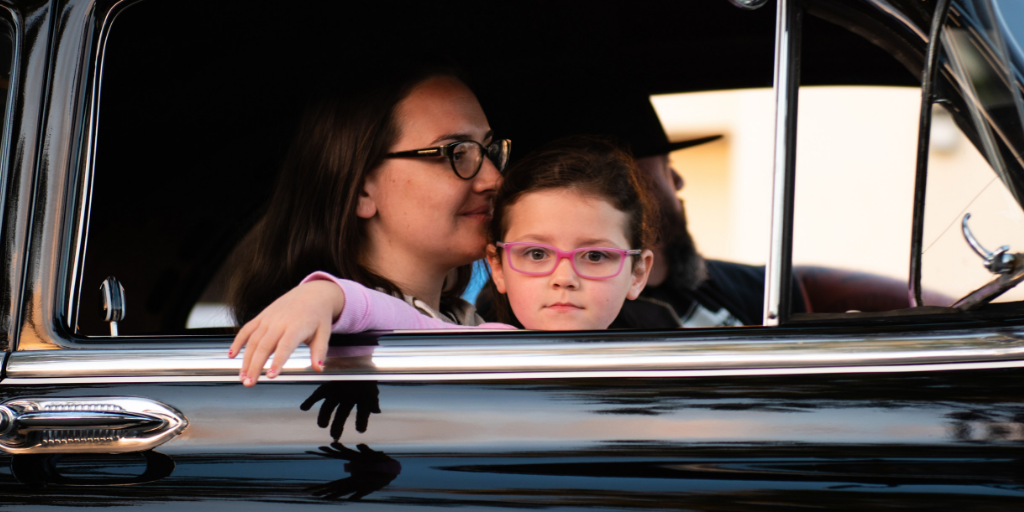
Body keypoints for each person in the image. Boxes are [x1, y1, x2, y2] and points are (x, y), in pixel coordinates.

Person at [230, 136, 657, 383]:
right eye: (537, 253)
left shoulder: (662, 367)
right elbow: (396, 314)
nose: (564, 277)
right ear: (497, 267)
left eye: (596, 255)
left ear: (639, 273)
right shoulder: (482, 346)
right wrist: (325, 295)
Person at [228, 64, 509, 385]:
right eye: (455, 153)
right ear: (361, 188)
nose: (494, 179)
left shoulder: (474, 323)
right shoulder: (309, 357)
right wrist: (326, 297)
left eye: (487, 150)